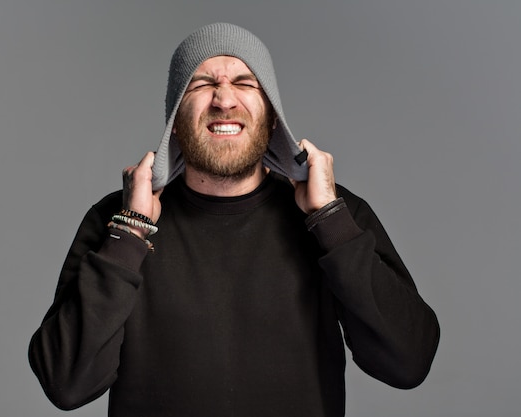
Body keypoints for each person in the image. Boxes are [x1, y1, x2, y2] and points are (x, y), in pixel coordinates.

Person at [28, 22, 440, 417]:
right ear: (173, 120)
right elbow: (67, 384)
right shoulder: (118, 222)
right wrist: (131, 231)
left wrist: (330, 220)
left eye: (244, 83)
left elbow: (407, 363)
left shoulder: (333, 214)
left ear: (273, 115)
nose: (224, 100)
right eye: (203, 84)